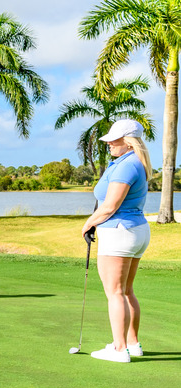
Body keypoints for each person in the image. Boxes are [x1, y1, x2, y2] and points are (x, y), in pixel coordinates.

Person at [82, 119, 152, 363]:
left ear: (129, 142)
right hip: (134, 230)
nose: (109, 143)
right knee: (126, 291)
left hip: (120, 232)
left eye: (114, 139)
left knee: (115, 293)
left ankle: (119, 349)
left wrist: (88, 223)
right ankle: (132, 344)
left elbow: (110, 206)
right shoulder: (131, 162)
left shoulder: (126, 166)